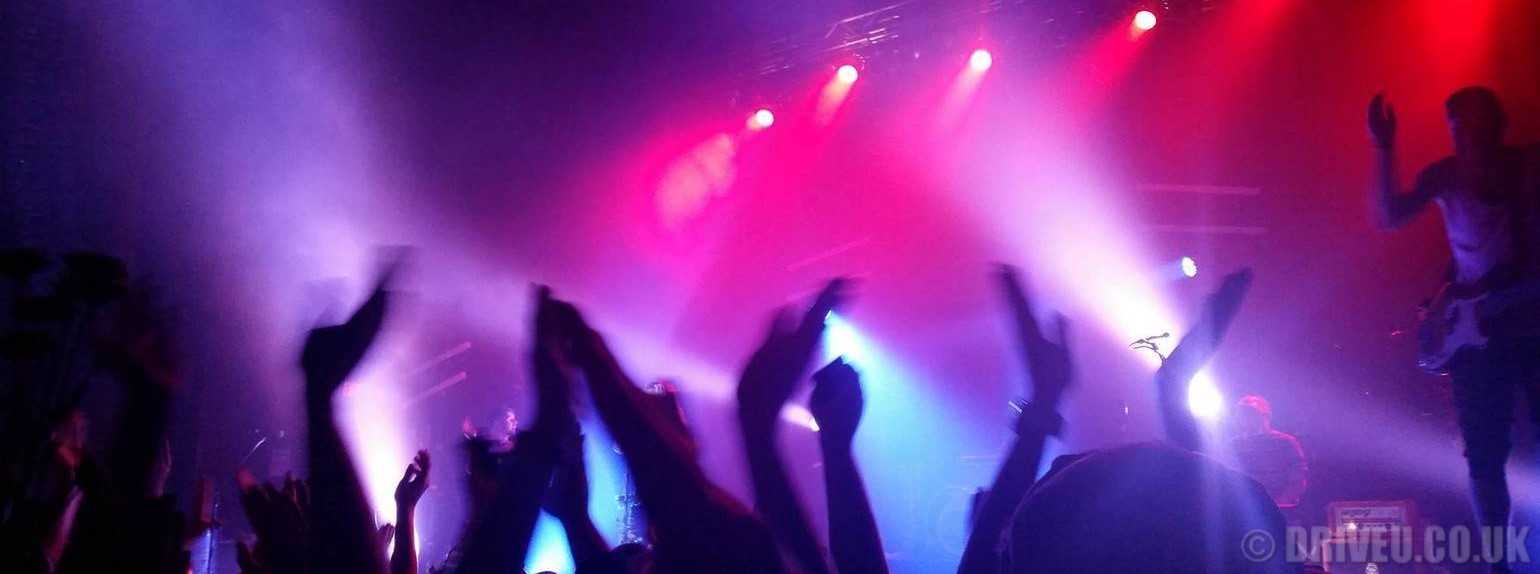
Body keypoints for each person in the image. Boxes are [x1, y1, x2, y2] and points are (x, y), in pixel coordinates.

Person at [1369, 87, 1540, 572]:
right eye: (1457, 128)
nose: (1466, 137)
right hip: (1474, 329)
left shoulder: (1528, 167)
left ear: (1498, 126)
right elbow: (1389, 216)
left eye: (1475, 125)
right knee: (1484, 455)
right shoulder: (1446, 174)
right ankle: (1497, 564)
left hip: (1529, 320)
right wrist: (1384, 148)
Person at [1228, 395, 1308, 508]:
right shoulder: (1234, 445)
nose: (1246, 418)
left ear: (1266, 416)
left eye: (1251, 414)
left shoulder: (1285, 442)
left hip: (1279, 507)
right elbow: (1229, 478)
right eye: (1242, 414)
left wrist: (1280, 503)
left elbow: (1298, 477)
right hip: (1246, 507)